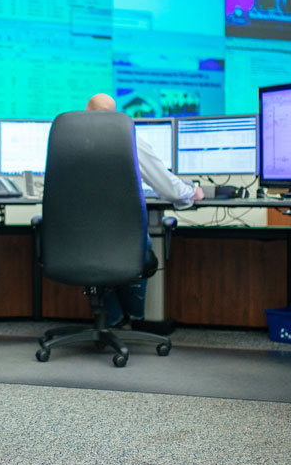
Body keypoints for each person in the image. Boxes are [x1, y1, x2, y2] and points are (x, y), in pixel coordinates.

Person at [85, 93, 204, 326]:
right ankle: (135, 317)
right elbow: (167, 187)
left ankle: (114, 319)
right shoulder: (128, 139)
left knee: (97, 250)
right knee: (136, 244)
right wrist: (192, 191)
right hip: (123, 242)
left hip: (78, 244)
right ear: (116, 116)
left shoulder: (66, 140)